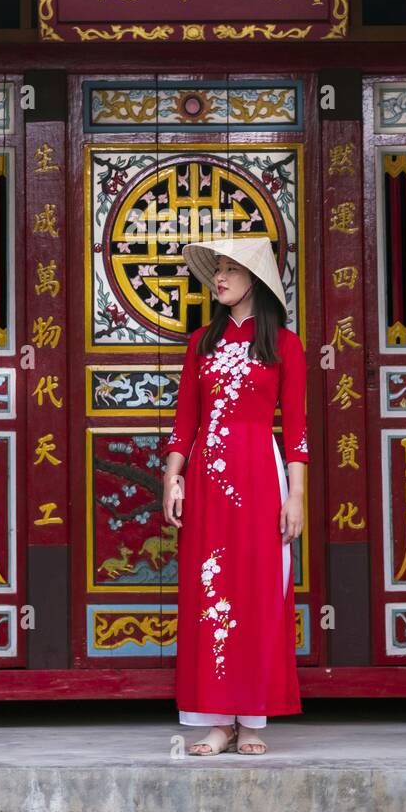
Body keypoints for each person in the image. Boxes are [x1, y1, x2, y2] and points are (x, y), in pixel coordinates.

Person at [162, 236, 308, 756]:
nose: (219, 278)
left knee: (257, 590)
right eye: (217, 269)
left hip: (259, 476)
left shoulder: (284, 346)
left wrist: (296, 497)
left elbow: (296, 431)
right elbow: (185, 420)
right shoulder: (200, 342)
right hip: (206, 479)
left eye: (230, 269)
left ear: (257, 281)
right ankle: (218, 722)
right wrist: (172, 477)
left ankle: (252, 721)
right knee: (210, 592)